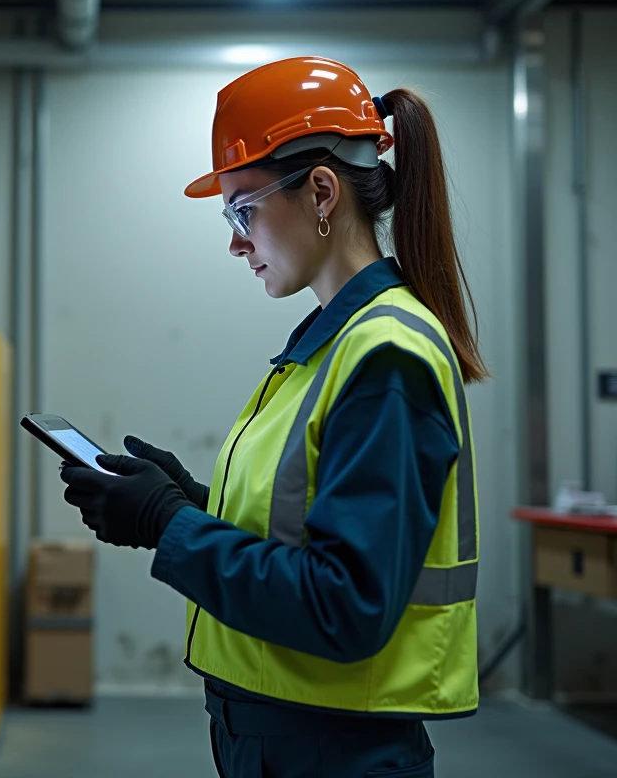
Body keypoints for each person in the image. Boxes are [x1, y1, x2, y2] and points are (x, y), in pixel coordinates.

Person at [60, 56, 484, 777]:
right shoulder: (328, 347)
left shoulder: (385, 357)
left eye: (242, 209)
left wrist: (168, 523)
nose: (234, 240)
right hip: (283, 739)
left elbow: (343, 604)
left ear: (322, 192)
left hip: (333, 750)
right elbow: (299, 535)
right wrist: (186, 499)